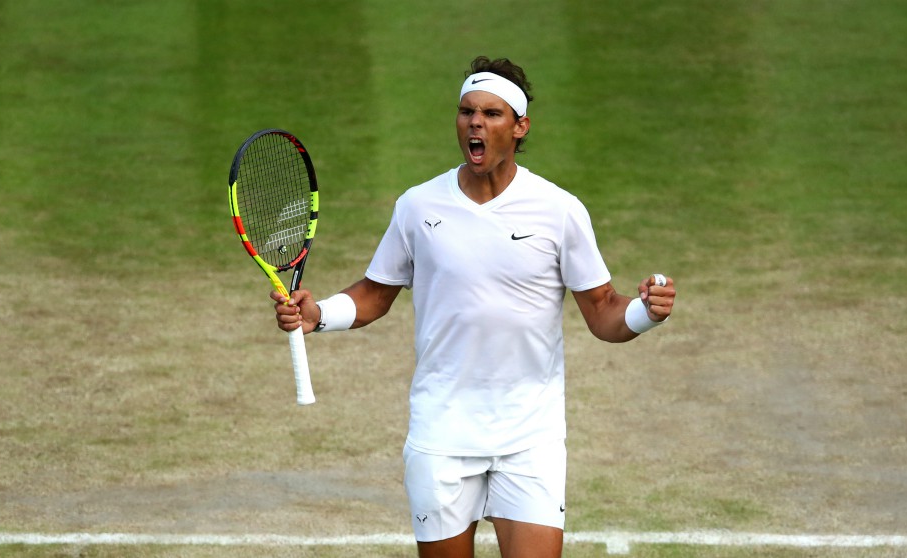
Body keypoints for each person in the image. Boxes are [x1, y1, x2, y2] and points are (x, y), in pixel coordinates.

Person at [272, 55, 677, 558]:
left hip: (530, 436)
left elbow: (603, 311)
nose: (475, 124)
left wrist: (646, 314)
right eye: (467, 112)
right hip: (442, 434)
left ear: (520, 126)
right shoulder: (418, 207)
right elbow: (376, 294)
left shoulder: (560, 210)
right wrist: (319, 315)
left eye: (491, 113)